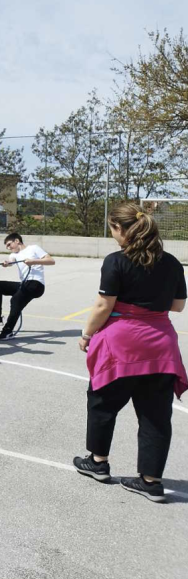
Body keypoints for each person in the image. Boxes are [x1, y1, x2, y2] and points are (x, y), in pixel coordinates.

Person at [73, 203, 188, 503]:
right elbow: (177, 306)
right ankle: (150, 481)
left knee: (102, 402)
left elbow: (103, 305)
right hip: (161, 344)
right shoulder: (173, 262)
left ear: (121, 229)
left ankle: (98, 462)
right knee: (156, 415)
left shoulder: (116, 261)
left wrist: (86, 334)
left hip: (122, 343)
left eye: (113, 229)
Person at [0, 233, 55, 342]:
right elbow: (10, 262)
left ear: (17, 241)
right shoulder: (15, 254)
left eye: (9, 245)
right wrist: (6, 263)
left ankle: (8, 331)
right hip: (25, 284)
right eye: (7, 247)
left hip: (36, 284)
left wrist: (33, 261)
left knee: (15, 300)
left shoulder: (33, 248)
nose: (9, 248)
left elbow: (51, 261)